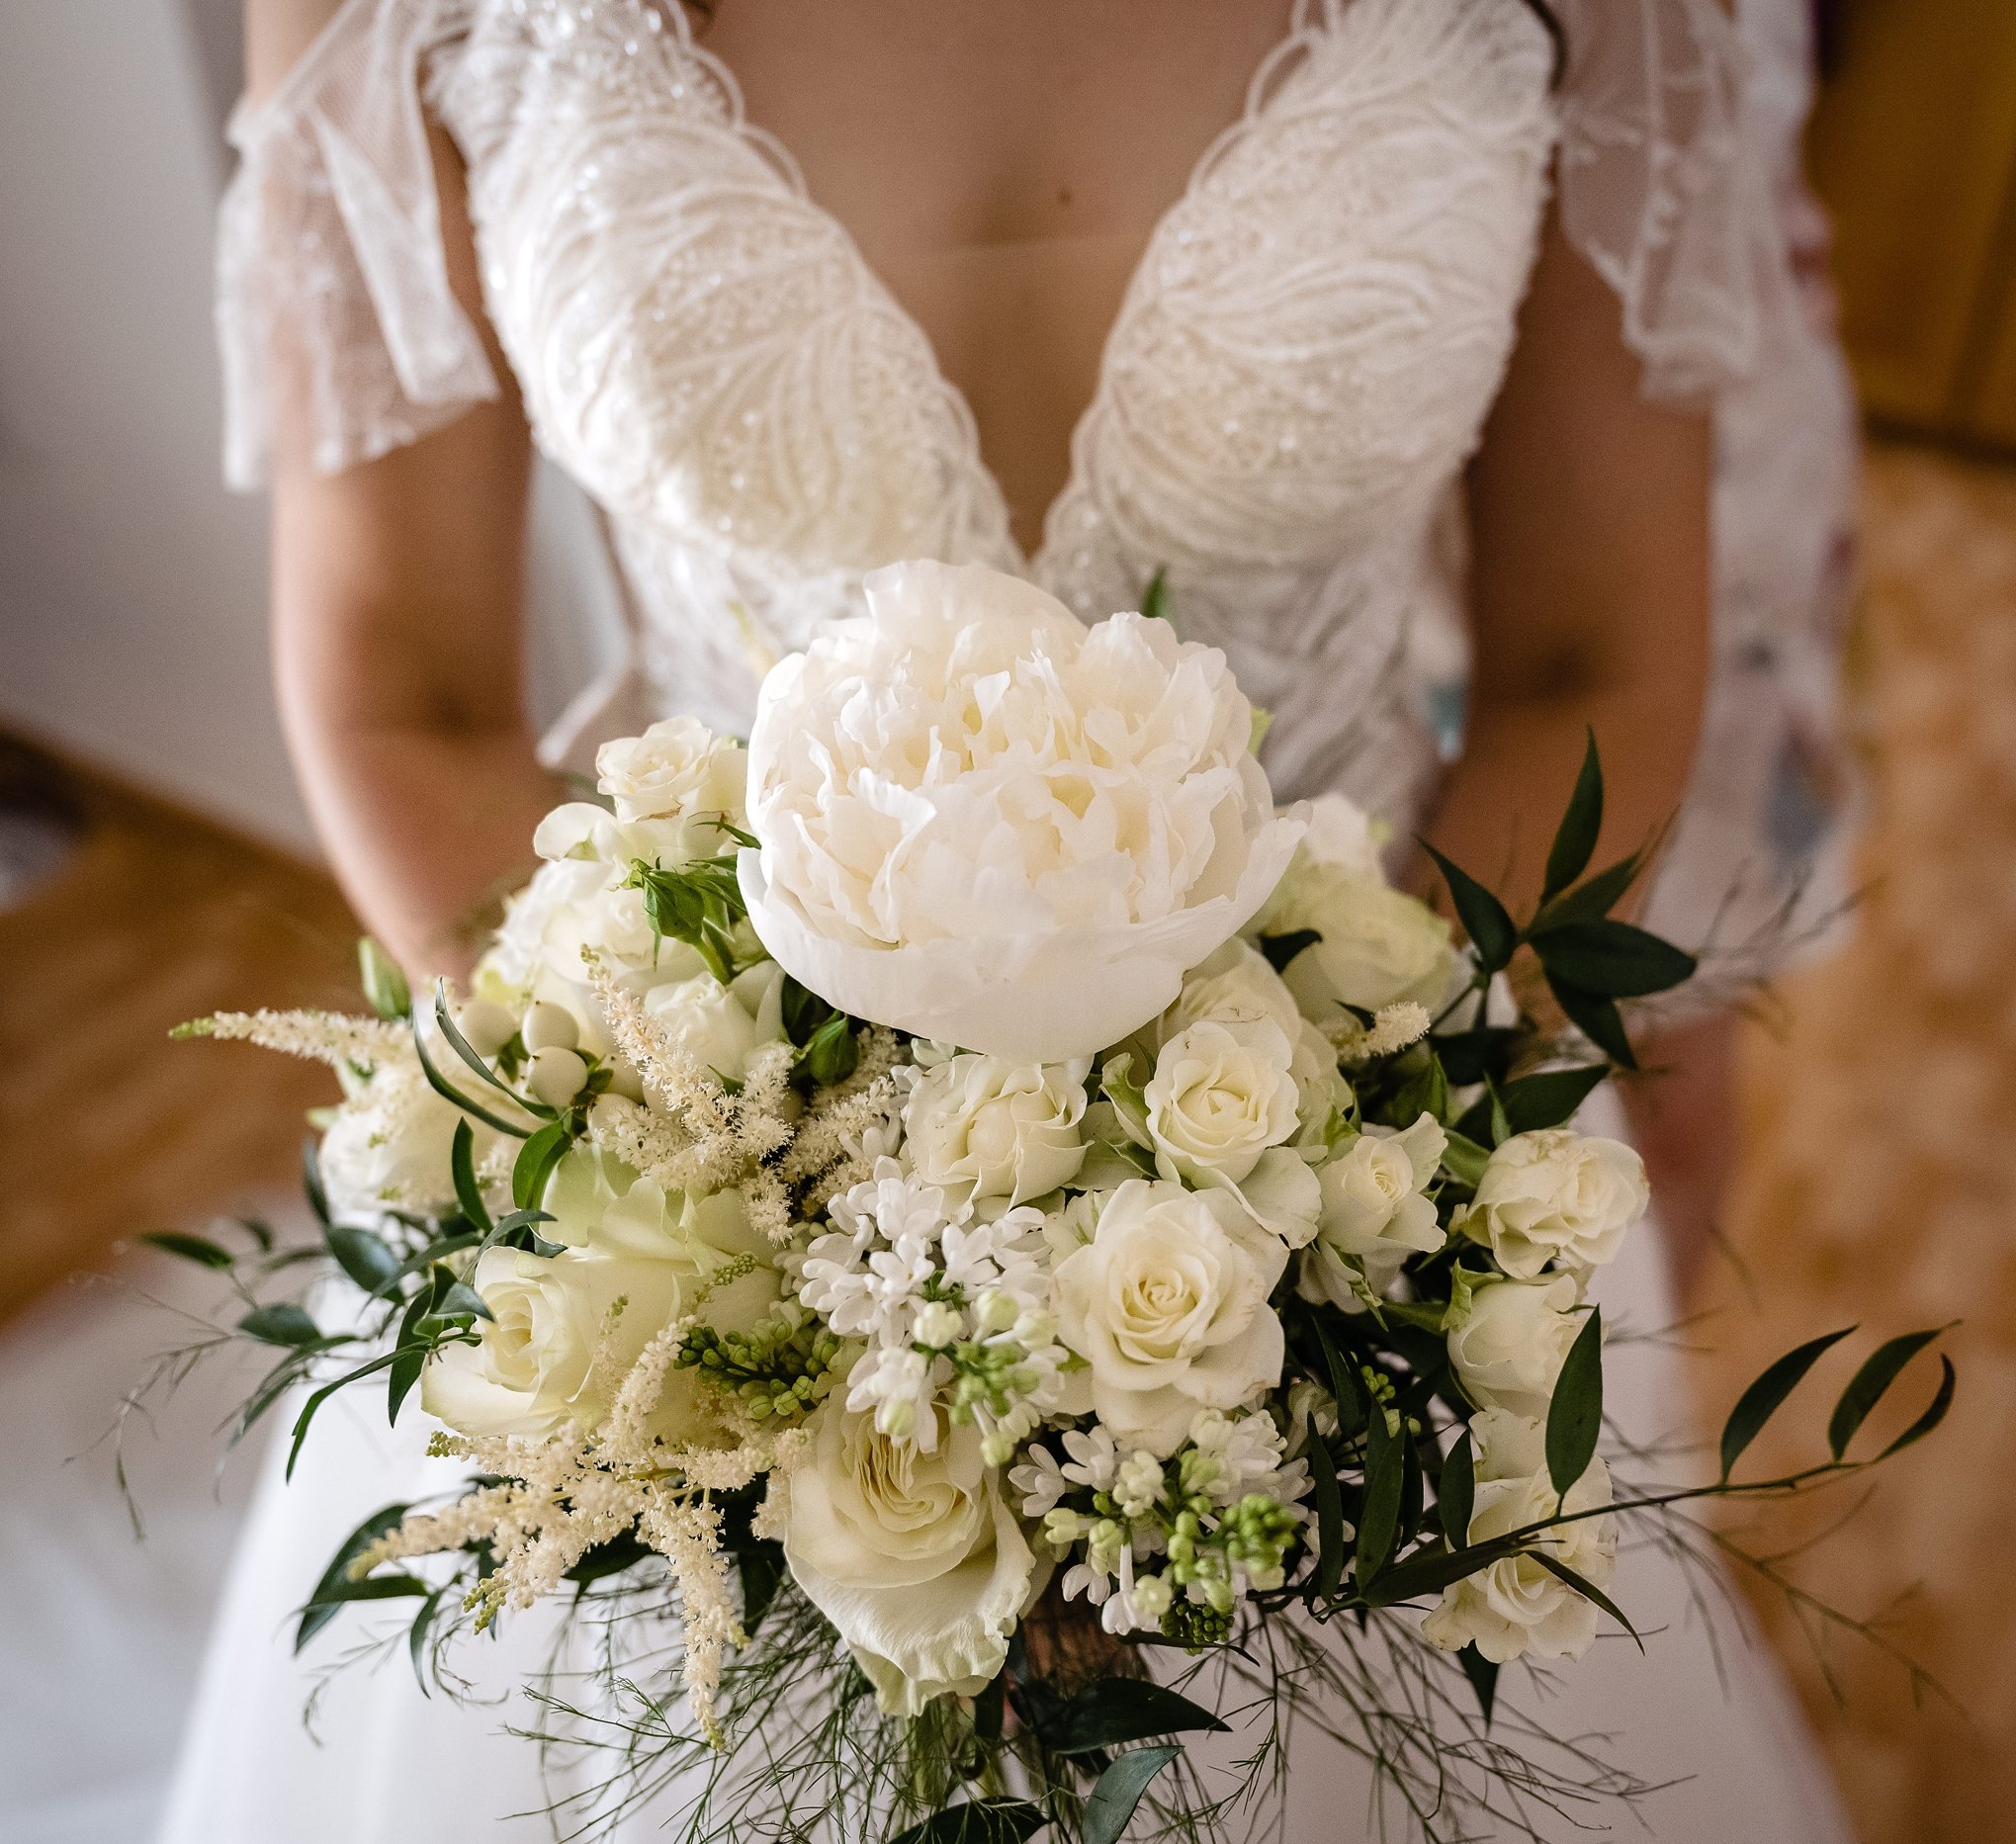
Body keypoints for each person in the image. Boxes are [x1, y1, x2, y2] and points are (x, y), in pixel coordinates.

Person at [162, 1, 1861, 1837]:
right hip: (698, 1207)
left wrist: (1354, 1226)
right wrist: (745, 1226)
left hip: (1382, 1139)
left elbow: (1584, 662)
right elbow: (404, 697)